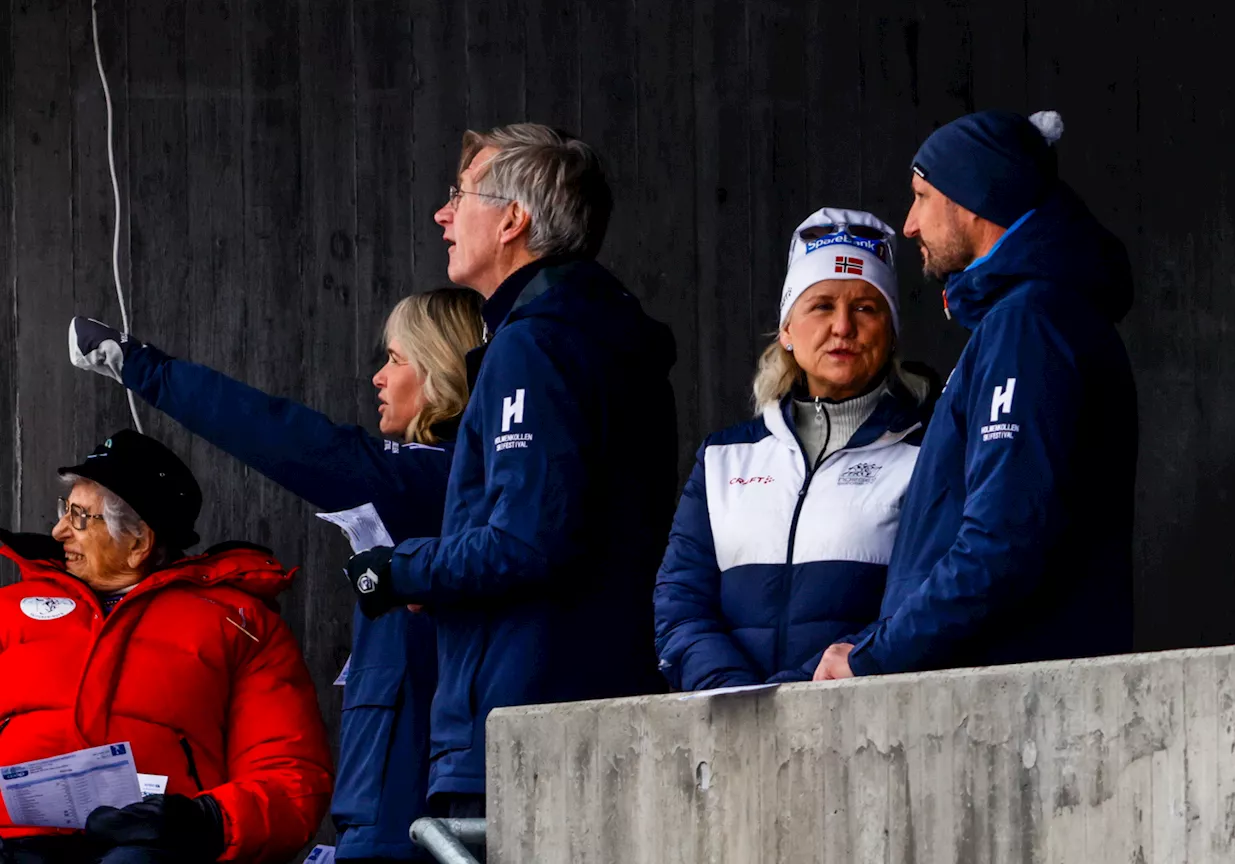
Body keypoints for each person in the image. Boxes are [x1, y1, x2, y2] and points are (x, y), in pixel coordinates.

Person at [68, 288, 484, 863]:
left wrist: (144, 367)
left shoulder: (431, 482)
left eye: (396, 359)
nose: (378, 379)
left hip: (408, 825)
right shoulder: (431, 488)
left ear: (441, 371)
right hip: (385, 821)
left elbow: (284, 437)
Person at [344, 123, 677, 817]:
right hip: (589, 705)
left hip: (519, 722)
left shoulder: (537, 344)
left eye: (459, 196)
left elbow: (527, 540)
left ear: (512, 221)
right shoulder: (599, 334)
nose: (442, 215)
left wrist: (400, 570)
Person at [813, 109, 1137, 681]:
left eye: (921, 196)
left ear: (971, 198)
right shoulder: (1030, 319)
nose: (909, 224)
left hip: (1015, 701)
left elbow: (1003, 543)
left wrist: (876, 656)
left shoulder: (1027, 327)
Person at [0, 431, 332, 864]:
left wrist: (204, 821)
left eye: (79, 517)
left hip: (155, 850)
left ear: (139, 542)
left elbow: (291, 776)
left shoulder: (238, 623)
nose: (58, 530)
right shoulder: (10, 609)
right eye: (64, 510)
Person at [653, 209, 933, 689]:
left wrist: (797, 697)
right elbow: (679, 601)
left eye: (866, 308)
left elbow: (916, 605)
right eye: (821, 305)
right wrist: (732, 692)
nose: (843, 326)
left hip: (863, 729)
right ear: (787, 329)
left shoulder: (924, 454)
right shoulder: (723, 458)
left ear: (890, 334)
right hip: (732, 728)